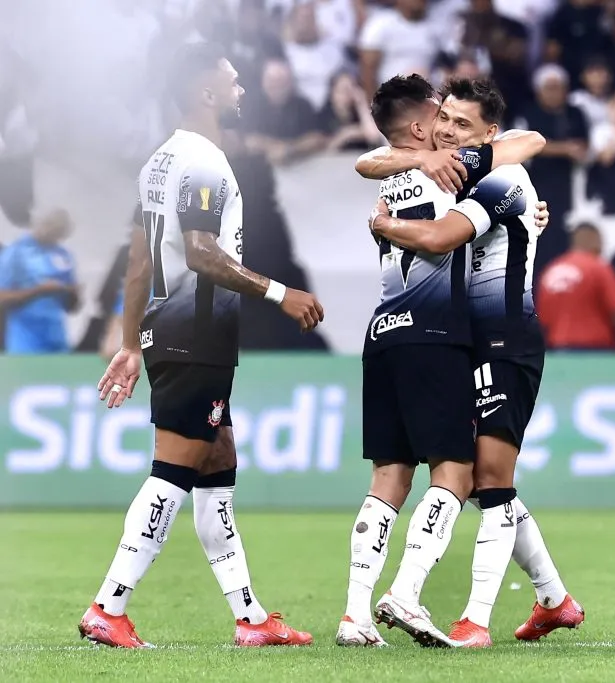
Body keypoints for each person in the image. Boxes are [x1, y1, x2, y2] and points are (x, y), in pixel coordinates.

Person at [82, 42, 324, 649]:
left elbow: (141, 260)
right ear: (205, 92)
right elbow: (201, 253)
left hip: (171, 332)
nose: (242, 91)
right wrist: (279, 292)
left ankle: (250, 619)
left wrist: (131, 343)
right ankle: (109, 607)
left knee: (216, 464)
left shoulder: (158, 162)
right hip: (197, 333)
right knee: (174, 470)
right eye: (234, 82)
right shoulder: (204, 162)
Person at [368, 77, 584, 648]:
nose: (447, 131)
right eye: (445, 120)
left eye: (462, 125)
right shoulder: (458, 179)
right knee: (493, 481)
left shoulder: (504, 179)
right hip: (465, 343)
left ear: (490, 135)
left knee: (491, 481)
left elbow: (441, 237)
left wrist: (386, 227)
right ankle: (555, 600)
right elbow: (373, 161)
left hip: (504, 341)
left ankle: (472, 620)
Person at [536, 222, 615, 352]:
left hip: (559, 350)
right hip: (597, 350)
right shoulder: (597, 267)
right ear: (593, 239)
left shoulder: (550, 272)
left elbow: (542, 319)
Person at [0, 208, 79, 353]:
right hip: (26, 339)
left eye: (59, 231)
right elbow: (2, 297)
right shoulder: (14, 253)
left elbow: (72, 307)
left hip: (57, 338)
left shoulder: (63, 255)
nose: (52, 233)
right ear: (39, 223)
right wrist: (39, 290)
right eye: (50, 226)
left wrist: (74, 293)